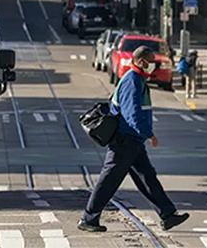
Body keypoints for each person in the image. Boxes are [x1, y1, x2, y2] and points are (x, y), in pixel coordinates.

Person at [78, 46, 190, 233]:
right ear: (140, 61)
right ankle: (88, 218)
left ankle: (167, 214)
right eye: (151, 60)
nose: (154, 65)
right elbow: (133, 115)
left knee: (147, 178)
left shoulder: (138, 79)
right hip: (125, 140)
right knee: (109, 181)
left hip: (133, 141)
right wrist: (149, 134)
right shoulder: (132, 80)